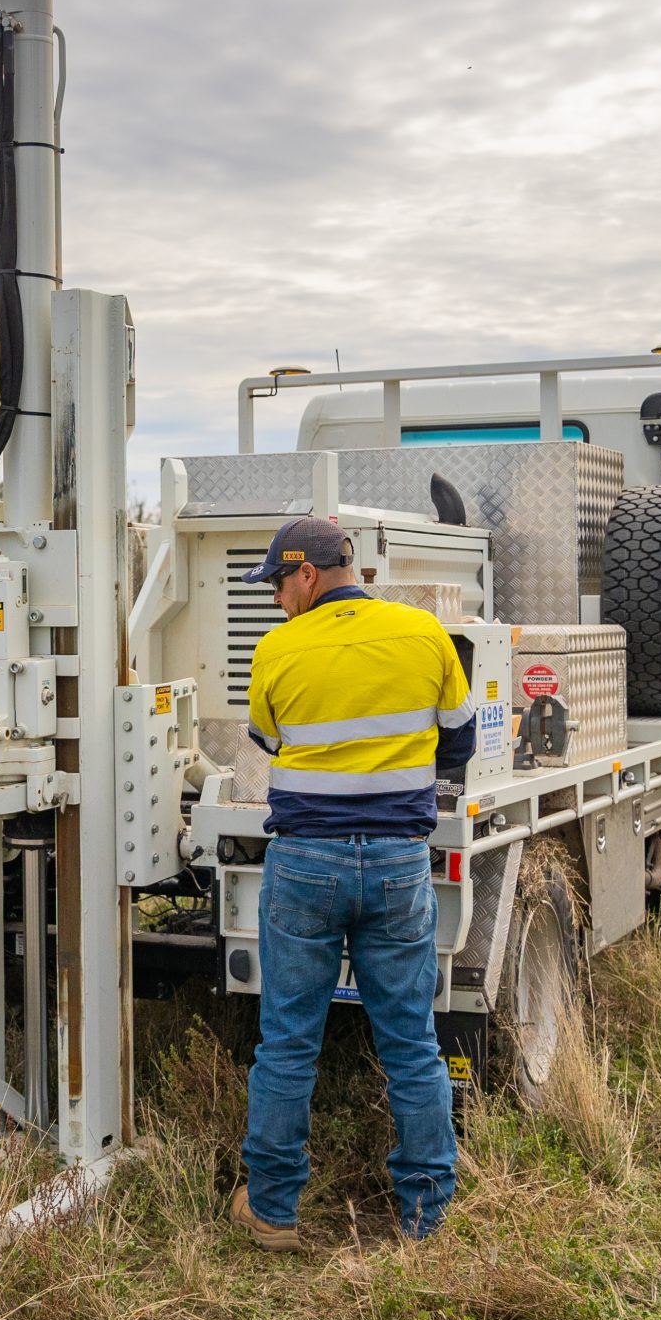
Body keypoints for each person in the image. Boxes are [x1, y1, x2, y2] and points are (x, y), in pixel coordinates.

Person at [229, 515, 475, 1250]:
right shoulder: (425, 634)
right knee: (411, 1044)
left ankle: (271, 1209)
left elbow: (267, 740)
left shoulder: (277, 649)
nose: (276, 599)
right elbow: (459, 738)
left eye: (278, 582)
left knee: (287, 1044)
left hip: (306, 865)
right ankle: (426, 1214)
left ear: (308, 574)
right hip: (399, 863)